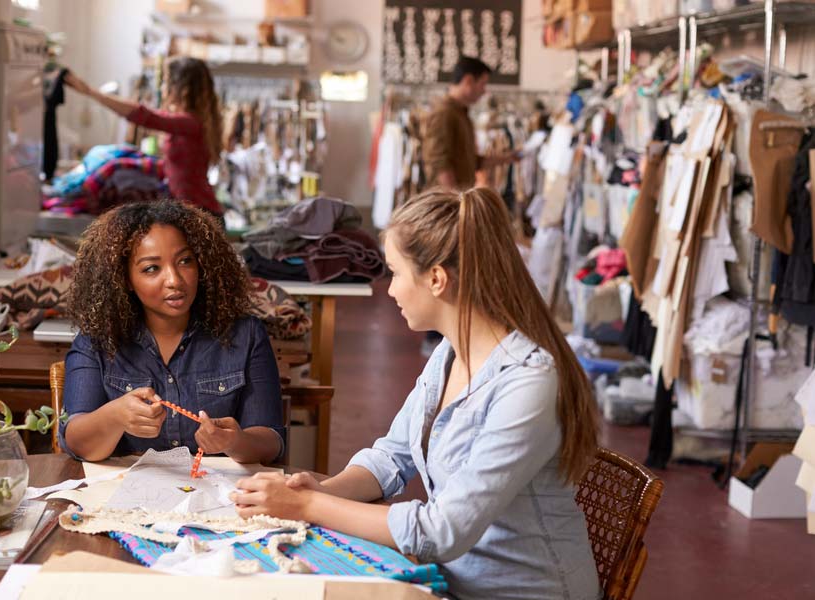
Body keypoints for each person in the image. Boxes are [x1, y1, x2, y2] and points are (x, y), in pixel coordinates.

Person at [230, 188, 601, 600]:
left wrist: (307, 508)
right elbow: (391, 456)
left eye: (396, 273)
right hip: (453, 581)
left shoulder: (528, 383)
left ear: (436, 280)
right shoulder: (450, 353)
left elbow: (441, 531)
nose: (390, 290)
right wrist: (318, 491)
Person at [60, 200, 283, 464]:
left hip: (217, 497)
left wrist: (235, 442)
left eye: (185, 261)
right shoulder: (96, 340)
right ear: (125, 279)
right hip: (125, 500)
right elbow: (75, 444)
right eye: (151, 268)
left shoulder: (245, 335)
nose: (175, 280)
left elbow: (271, 442)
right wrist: (115, 416)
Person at [420, 56, 521, 357]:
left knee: (453, 268)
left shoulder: (460, 114)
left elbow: (469, 160)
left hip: (456, 201)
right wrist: (453, 204)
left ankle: (446, 333)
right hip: (448, 206)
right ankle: (434, 335)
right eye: (482, 84)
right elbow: (440, 162)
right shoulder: (444, 114)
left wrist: (505, 159)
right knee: (443, 267)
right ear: (467, 82)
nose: (483, 91)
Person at [64, 57, 225, 216]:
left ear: (181, 88)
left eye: (166, 82)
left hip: (200, 213)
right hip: (192, 210)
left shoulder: (190, 123)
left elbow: (146, 116)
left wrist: (91, 92)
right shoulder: (192, 122)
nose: (163, 87)